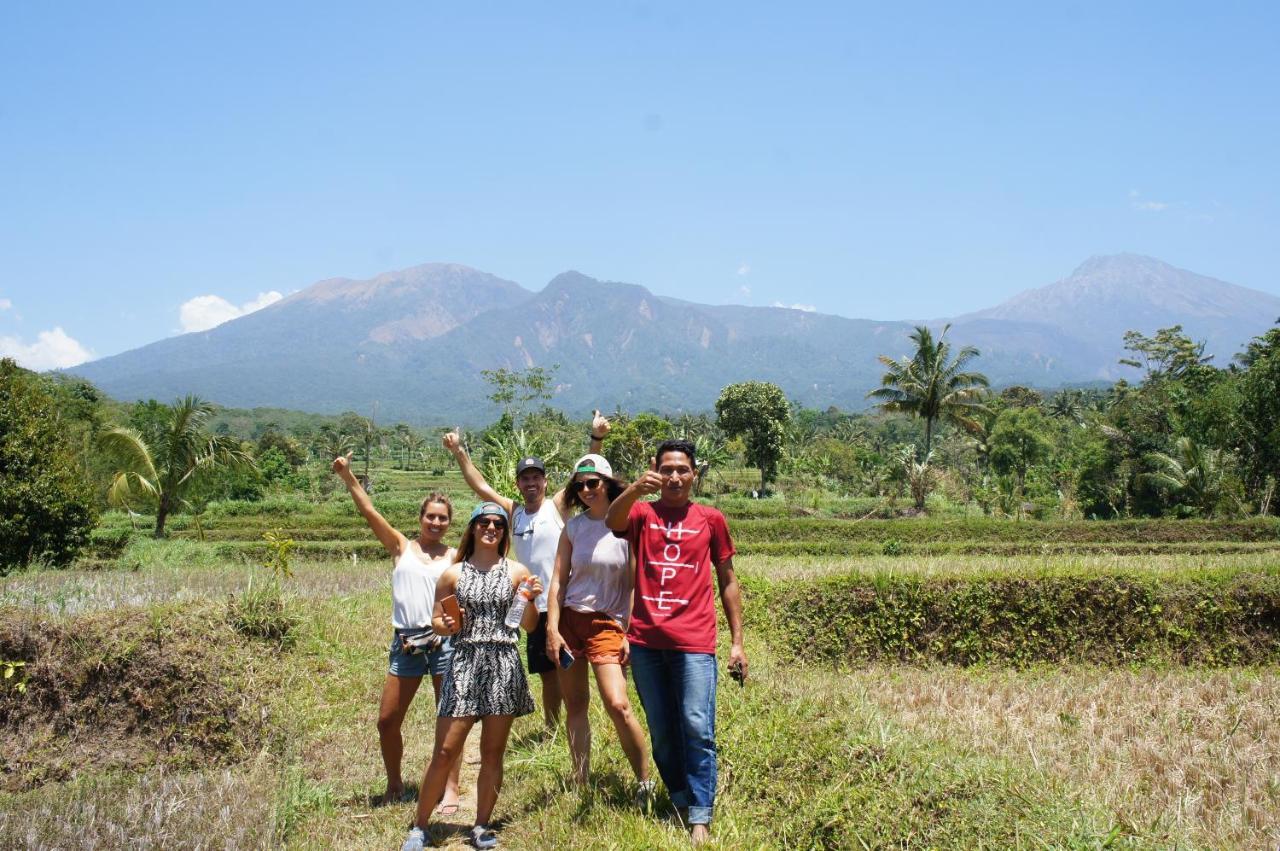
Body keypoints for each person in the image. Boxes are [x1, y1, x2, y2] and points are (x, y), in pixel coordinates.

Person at [605, 439, 748, 845]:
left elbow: (728, 581)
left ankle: (701, 813)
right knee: (663, 729)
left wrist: (737, 642)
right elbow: (613, 522)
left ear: (694, 474)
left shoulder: (711, 519)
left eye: (682, 470)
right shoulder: (642, 514)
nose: (673, 477)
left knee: (696, 724)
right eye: (666, 469)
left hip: (695, 642)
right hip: (647, 641)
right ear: (655, 469)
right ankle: (680, 799)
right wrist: (634, 488)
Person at [442, 412, 610, 729]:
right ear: (518, 483)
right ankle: (552, 727)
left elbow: (582, 472)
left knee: (566, 666)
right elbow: (480, 486)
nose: (531, 483)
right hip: (531, 605)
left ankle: (576, 722)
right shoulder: (514, 512)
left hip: (563, 603)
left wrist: (596, 437)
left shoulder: (557, 506)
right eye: (525, 478)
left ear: (545, 482)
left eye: (536, 478)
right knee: (546, 672)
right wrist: (459, 452)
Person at [402, 501, 542, 851]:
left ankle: (481, 825)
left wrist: (530, 601)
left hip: (503, 663)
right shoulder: (454, 573)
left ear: (504, 531)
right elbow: (437, 620)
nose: (491, 528)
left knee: (493, 752)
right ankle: (420, 826)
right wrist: (446, 624)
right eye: (484, 522)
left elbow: (528, 625)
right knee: (445, 750)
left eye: (497, 523)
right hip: (464, 661)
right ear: (473, 528)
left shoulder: (517, 572)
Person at [331, 451, 463, 811]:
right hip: (405, 641)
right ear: (420, 518)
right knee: (387, 721)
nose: (435, 523)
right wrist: (348, 477)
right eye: (430, 517)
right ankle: (395, 784)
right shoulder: (401, 547)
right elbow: (370, 512)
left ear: (449, 523)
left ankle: (451, 788)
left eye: (442, 518)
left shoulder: (455, 556)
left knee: (448, 718)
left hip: (445, 643)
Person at [544, 454, 651, 796]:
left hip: (608, 623)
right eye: (580, 484)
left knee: (618, 705)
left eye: (593, 483)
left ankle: (644, 781)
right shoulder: (574, 528)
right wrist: (553, 628)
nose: (587, 489)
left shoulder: (627, 525)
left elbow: (635, 584)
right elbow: (559, 582)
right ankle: (580, 778)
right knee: (575, 705)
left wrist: (630, 630)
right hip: (571, 621)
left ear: (607, 483)